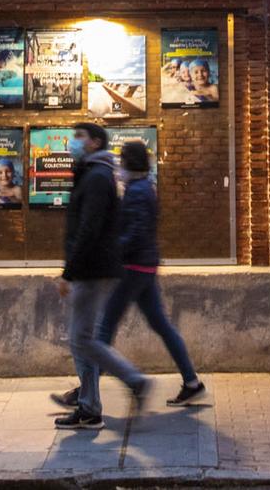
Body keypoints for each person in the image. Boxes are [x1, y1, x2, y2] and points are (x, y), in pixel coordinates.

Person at [80, 139, 205, 407]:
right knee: (160, 324)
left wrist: (113, 254)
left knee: (103, 330)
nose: (119, 167)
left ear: (129, 163)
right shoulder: (145, 188)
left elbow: (134, 233)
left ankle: (86, 393)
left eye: (122, 161)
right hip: (145, 266)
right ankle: (192, 382)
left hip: (133, 268)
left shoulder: (137, 192)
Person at [53, 122, 123, 429]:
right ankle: (89, 403)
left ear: (94, 143)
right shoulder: (93, 173)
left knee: (82, 340)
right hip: (91, 267)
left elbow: (89, 228)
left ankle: (102, 398)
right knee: (83, 339)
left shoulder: (96, 176)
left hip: (90, 269)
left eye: (79, 137)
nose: (73, 142)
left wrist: (69, 272)